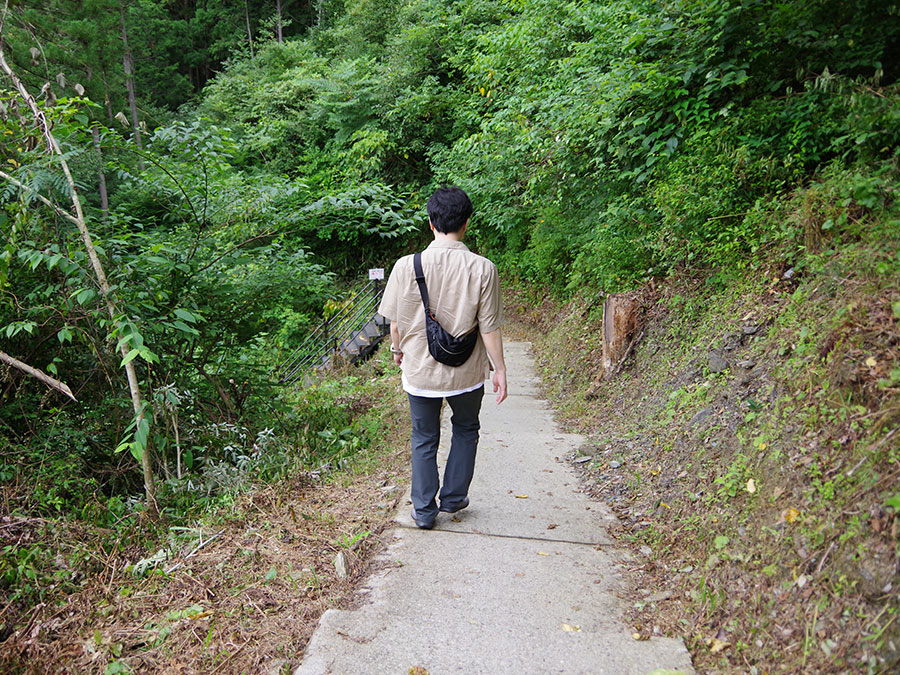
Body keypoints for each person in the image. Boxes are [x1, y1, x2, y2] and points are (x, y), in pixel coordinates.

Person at [378, 186, 507, 530]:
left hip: (420, 370)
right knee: (466, 428)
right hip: (467, 371)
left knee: (423, 436)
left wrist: (396, 351)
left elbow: (395, 322)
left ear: (430, 223)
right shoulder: (484, 268)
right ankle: (452, 498)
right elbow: (490, 327)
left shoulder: (407, 265)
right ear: (466, 223)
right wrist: (500, 370)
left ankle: (423, 511)